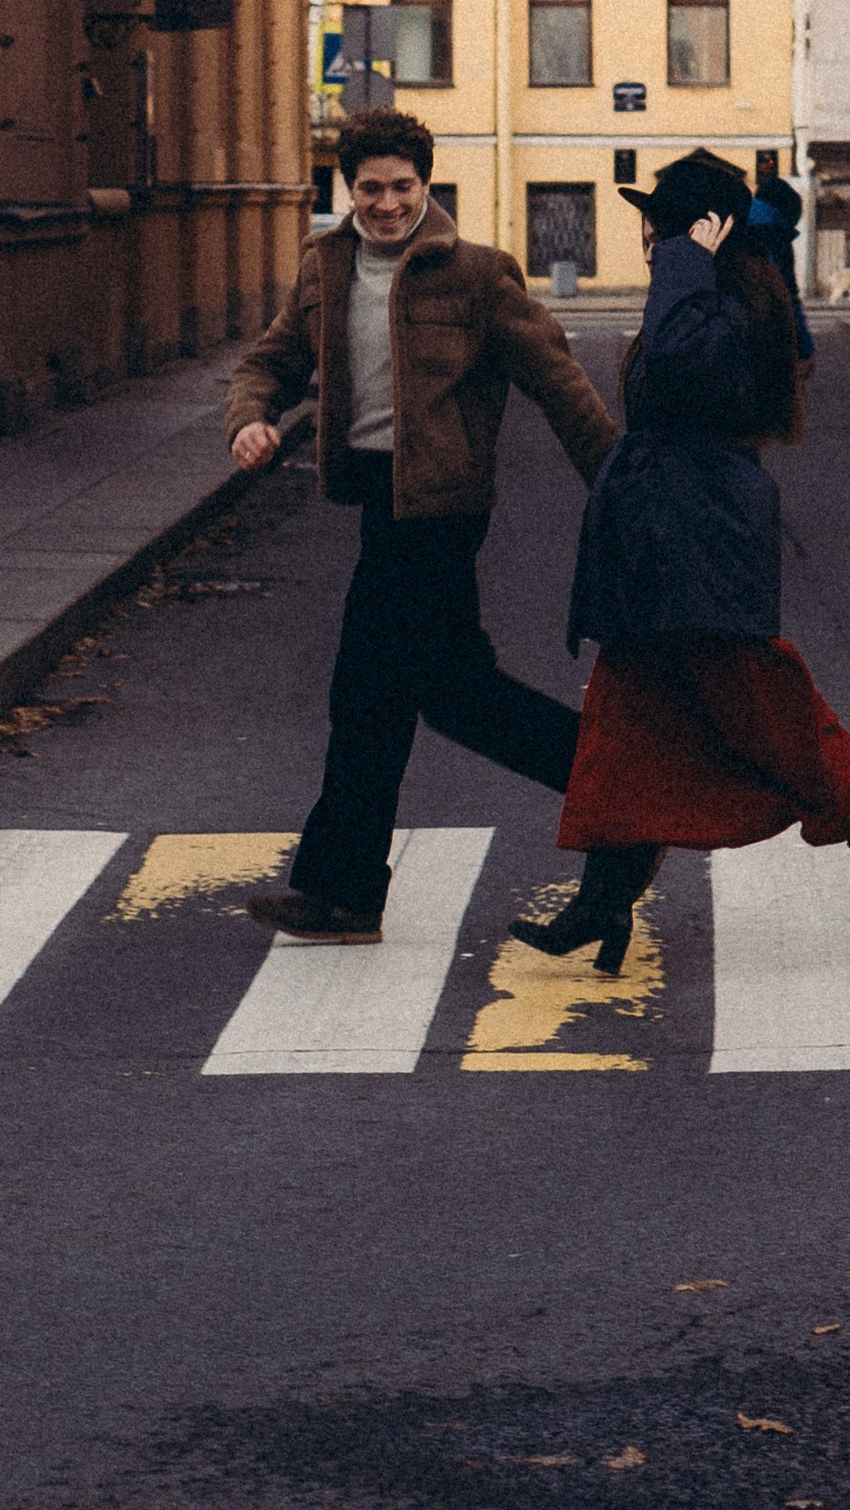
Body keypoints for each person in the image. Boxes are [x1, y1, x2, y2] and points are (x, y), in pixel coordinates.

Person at [519, 146, 850, 975]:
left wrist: (684, 264)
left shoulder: (733, 304)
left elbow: (678, 367)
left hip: (700, 538)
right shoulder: (702, 295)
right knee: (627, 717)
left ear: (705, 231)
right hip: (661, 536)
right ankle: (601, 900)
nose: (650, 243)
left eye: (662, 230)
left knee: (767, 717)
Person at [223, 110, 615, 943]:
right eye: (370, 188)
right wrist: (250, 418)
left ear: (426, 185)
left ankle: (344, 891)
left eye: (402, 187)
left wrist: (619, 488)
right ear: (348, 188)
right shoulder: (325, 265)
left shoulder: (476, 275)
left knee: (367, 694)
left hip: (441, 511)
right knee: (453, 696)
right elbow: (272, 360)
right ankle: (623, 804)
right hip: (377, 499)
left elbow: (559, 382)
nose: (387, 204)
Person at [744, 150, 815, 363]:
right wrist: (804, 348)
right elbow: (787, 293)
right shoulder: (774, 235)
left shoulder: (737, 220)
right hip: (757, 335)